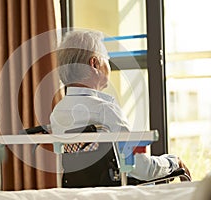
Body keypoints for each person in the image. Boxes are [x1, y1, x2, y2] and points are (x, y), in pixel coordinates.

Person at [50, 30, 191, 183]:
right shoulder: (105, 110)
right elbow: (142, 169)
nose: (109, 65)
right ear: (95, 63)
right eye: (107, 59)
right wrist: (173, 162)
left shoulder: (57, 112)